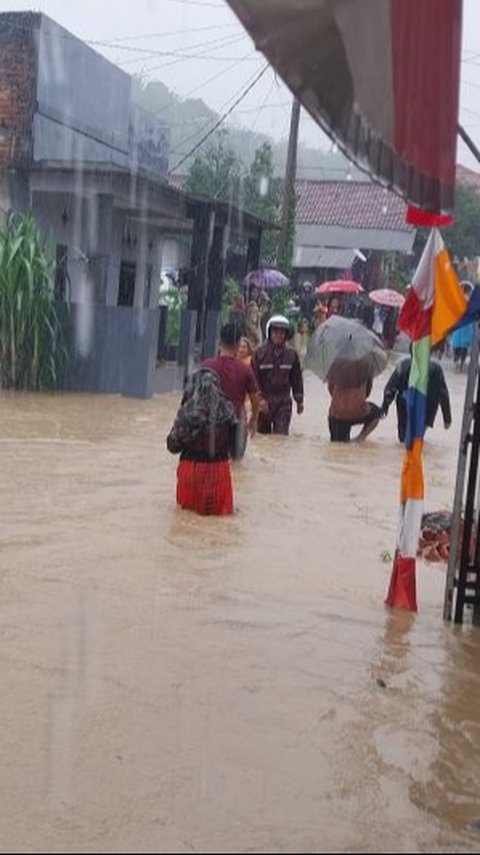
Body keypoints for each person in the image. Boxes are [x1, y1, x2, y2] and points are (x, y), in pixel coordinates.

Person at [166, 369, 238, 515]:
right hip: (219, 471)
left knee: (186, 519)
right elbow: (237, 448)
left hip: (191, 471)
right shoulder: (228, 409)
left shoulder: (189, 411)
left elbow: (173, 446)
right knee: (220, 519)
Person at [203, 322, 260, 457]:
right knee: (236, 466)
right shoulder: (245, 370)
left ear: (220, 341)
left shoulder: (207, 366)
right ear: (238, 343)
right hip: (237, 424)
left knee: (213, 462)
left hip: (212, 423)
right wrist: (254, 420)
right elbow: (255, 400)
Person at [253, 314, 304, 435]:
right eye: (275, 332)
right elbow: (254, 379)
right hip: (264, 400)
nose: (278, 336)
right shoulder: (259, 353)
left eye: (282, 333)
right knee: (262, 439)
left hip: (283, 402)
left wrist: (299, 401)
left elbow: (296, 379)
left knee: (280, 438)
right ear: (269, 332)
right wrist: (259, 400)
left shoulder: (291, 354)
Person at [381, 355, 452, 443]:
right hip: (427, 408)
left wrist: (385, 407)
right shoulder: (436, 368)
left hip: (405, 405)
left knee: (404, 438)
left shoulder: (403, 365)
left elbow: (390, 388)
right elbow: (443, 393)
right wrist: (447, 418)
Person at [327, 358, 381, 442]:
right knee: (377, 412)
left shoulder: (334, 365)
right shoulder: (366, 365)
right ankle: (360, 438)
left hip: (336, 414)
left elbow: (331, 390)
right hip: (358, 411)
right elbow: (367, 393)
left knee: (337, 447)